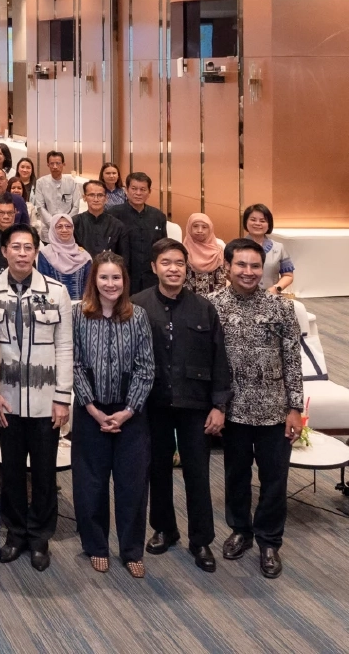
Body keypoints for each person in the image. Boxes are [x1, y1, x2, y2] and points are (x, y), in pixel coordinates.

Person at [0, 223, 73, 572]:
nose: (22, 253)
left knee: (45, 472)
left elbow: (65, 347)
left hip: (47, 400)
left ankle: (40, 537)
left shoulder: (57, 291)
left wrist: (62, 397)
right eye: (15, 247)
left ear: (36, 252)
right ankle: (16, 534)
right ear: (4, 251)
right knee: (12, 469)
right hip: (6, 399)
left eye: (28, 247)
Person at [133, 237, 229, 573]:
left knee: (197, 472)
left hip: (195, 403)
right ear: (154, 267)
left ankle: (201, 539)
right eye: (166, 263)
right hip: (154, 402)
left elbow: (219, 359)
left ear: (186, 268)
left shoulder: (204, 308)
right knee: (157, 469)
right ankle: (164, 528)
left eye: (179, 263)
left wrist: (219, 405)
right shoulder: (138, 306)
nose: (173, 269)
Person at [209, 238, 303, 579]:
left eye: (255, 266)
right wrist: (214, 406)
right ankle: (240, 530)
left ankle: (269, 541)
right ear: (227, 267)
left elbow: (293, 360)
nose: (248, 272)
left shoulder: (281, 308)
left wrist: (295, 408)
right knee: (236, 476)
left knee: (274, 480)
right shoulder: (211, 306)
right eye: (241, 265)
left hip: (274, 411)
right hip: (232, 411)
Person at [70, 252, 156, 577]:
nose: (110, 284)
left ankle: (132, 549)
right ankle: (96, 546)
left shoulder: (138, 316)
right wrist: (93, 409)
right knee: (90, 483)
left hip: (130, 413)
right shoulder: (78, 314)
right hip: (90, 410)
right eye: (104, 277)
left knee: (132, 484)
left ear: (125, 281)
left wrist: (127, 411)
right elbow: (74, 363)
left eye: (116, 278)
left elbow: (146, 367)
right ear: (94, 280)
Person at [111, 173, 166, 293]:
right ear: (126, 190)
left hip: (151, 276)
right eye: (134, 189)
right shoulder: (113, 214)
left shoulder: (158, 216)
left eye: (143, 189)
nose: (138, 193)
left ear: (149, 192)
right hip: (124, 275)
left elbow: (163, 247)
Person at [36, 213, 92, 299]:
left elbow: (88, 285)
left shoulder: (84, 255)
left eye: (68, 226)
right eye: (59, 227)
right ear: (53, 229)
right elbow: (44, 284)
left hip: (81, 304)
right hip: (53, 304)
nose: (64, 230)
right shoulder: (45, 254)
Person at [242, 203, 294, 294]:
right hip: (242, 297)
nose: (257, 223)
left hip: (271, 297)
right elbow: (228, 274)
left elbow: (288, 276)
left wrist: (276, 289)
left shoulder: (279, 248)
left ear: (269, 224)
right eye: (253, 220)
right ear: (246, 222)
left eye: (262, 221)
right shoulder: (236, 247)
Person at [30, 151, 80, 242]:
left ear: (63, 164)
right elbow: (40, 206)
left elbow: (76, 206)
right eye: (52, 164)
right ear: (48, 165)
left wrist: (64, 224)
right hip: (48, 229)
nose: (55, 166)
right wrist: (53, 223)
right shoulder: (41, 182)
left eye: (58, 163)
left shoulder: (72, 182)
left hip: (67, 228)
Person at [73, 180, 128, 261]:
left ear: (106, 198)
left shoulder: (117, 225)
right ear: (84, 198)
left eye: (100, 195)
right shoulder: (74, 223)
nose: (96, 199)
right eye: (91, 195)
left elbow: (123, 258)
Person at [183, 213, 228, 295]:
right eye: (195, 226)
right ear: (189, 227)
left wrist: (212, 299)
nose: (200, 230)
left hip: (214, 299)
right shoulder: (182, 250)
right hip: (187, 298)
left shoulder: (217, 251)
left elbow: (221, 281)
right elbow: (181, 280)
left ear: (210, 229)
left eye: (204, 227)